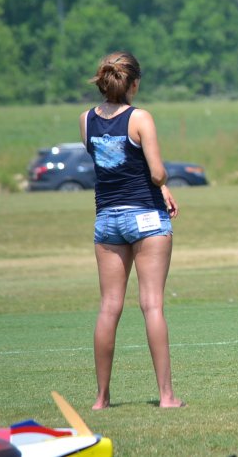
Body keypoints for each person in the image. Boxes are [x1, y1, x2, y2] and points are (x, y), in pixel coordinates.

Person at [80, 51, 184, 409]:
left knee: (109, 307)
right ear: (134, 84)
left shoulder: (86, 120)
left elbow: (111, 168)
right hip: (145, 217)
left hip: (107, 219)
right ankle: (167, 396)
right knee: (152, 305)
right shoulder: (140, 118)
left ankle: (101, 399)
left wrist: (160, 187)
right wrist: (164, 182)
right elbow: (155, 172)